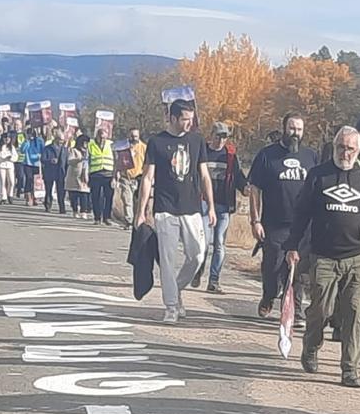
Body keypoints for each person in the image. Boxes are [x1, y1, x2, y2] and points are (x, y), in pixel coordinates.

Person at [286, 127, 360, 388]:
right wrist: (292, 245)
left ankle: (349, 369)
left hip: (357, 257)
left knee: (354, 313)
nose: (345, 153)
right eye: (341, 147)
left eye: (350, 148)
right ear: (334, 146)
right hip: (324, 256)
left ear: (358, 151)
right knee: (322, 309)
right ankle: (311, 345)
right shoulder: (318, 176)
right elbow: (301, 213)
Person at [134, 99, 215, 324]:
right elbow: (148, 178)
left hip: (192, 208)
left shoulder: (197, 141)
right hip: (165, 209)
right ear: (172, 118)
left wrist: (210, 206)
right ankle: (171, 306)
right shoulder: (157, 142)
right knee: (167, 259)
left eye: (191, 119)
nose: (189, 124)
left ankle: (177, 288)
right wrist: (141, 211)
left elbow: (205, 175)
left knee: (197, 254)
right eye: (185, 120)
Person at [249, 113, 318, 318]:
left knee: (297, 270)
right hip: (274, 224)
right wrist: (255, 220)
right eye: (292, 128)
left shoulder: (311, 156)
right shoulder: (267, 155)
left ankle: (294, 311)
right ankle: (269, 295)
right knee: (273, 268)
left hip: (302, 225)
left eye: (299, 129)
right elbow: (254, 189)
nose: (295, 133)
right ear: (284, 128)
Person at [195, 122, 248, 293]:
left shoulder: (230, 155)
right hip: (203, 203)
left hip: (224, 205)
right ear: (211, 135)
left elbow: (238, 176)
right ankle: (199, 268)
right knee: (203, 242)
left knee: (219, 244)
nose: (221, 139)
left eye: (224, 136)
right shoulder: (202, 152)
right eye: (218, 135)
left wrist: (245, 188)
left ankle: (214, 281)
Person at [116, 127, 146, 229]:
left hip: (139, 178)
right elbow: (118, 162)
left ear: (139, 136)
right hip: (126, 178)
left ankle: (138, 221)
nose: (134, 138)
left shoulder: (144, 148)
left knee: (138, 201)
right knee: (127, 200)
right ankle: (129, 221)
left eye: (136, 136)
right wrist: (117, 174)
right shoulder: (124, 147)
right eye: (132, 136)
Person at [88, 128, 115, 226]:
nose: (102, 139)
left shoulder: (111, 145)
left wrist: (115, 175)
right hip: (95, 174)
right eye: (100, 137)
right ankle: (97, 218)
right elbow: (87, 160)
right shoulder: (90, 145)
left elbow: (116, 160)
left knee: (109, 197)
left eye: (104, 137)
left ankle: (107, 217)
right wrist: (86, 174)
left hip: (108, 174)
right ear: (97, 136)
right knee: (96, 197)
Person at [41, 129, 69, 213]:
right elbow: (42, 159)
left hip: (61, 172)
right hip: (49, 171)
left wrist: (67, 172)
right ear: (56, 139)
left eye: (63, 141)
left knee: (61, 191)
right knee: (48, 190)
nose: (61, 142)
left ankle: (62, 208)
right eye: (60, 140)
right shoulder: (48, 148)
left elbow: (67, 162)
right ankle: (48, 205)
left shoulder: (65, 149)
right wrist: (50, 161)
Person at [66, 134, 91, 219]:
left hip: (84, 176)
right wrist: (79, 159)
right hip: (74, 176)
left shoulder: (88, 151)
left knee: (84, 194)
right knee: (74, 195)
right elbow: (69, 161)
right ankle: (75, 210)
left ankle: (84, 211)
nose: (86, 144)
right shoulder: (74, 151)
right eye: (84, 143)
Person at [0, 134, 18, 205]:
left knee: (11, 182)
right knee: (3, 182)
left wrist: (11, 158)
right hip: (1, 165)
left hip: (10, 165)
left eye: (8, 138)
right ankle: (4, 197)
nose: (7, 139)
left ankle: (10, 195)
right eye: (5, 138)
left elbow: (15, 156)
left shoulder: (12, 147)